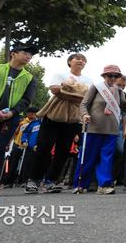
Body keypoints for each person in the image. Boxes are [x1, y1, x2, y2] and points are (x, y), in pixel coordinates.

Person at [26, 53, 92, 194]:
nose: (81, 61)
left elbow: (87, 97)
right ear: (69, 62)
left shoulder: (89, 79)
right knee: (44, 147)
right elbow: (55, 90)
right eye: (78, 58)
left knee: (63, 150)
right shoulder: (60, 74)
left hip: (73, 118)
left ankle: (51, 180)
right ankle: (33, 180)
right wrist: (79, 91)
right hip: (54, 115)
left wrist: (68, 87)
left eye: (83, 60)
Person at [0, 44, 37, 198]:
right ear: (13, 53)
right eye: (25, 53)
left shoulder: (30, 78)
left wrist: (11, 113)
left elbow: (26, 100)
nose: (28, 56)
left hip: (9, 118)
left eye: (30, 55)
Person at [72, 65, 126, 194]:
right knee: (88, 157)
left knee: (106, 158)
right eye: (109, 75)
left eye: (115, 76)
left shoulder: (120, 92)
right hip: (93, 127)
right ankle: (80, 184)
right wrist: (85, 114)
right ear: (104, 76)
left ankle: (104, 185)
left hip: (112, 129)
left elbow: (124, 109)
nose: (112, 78)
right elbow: (84, 104)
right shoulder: (96, 87)